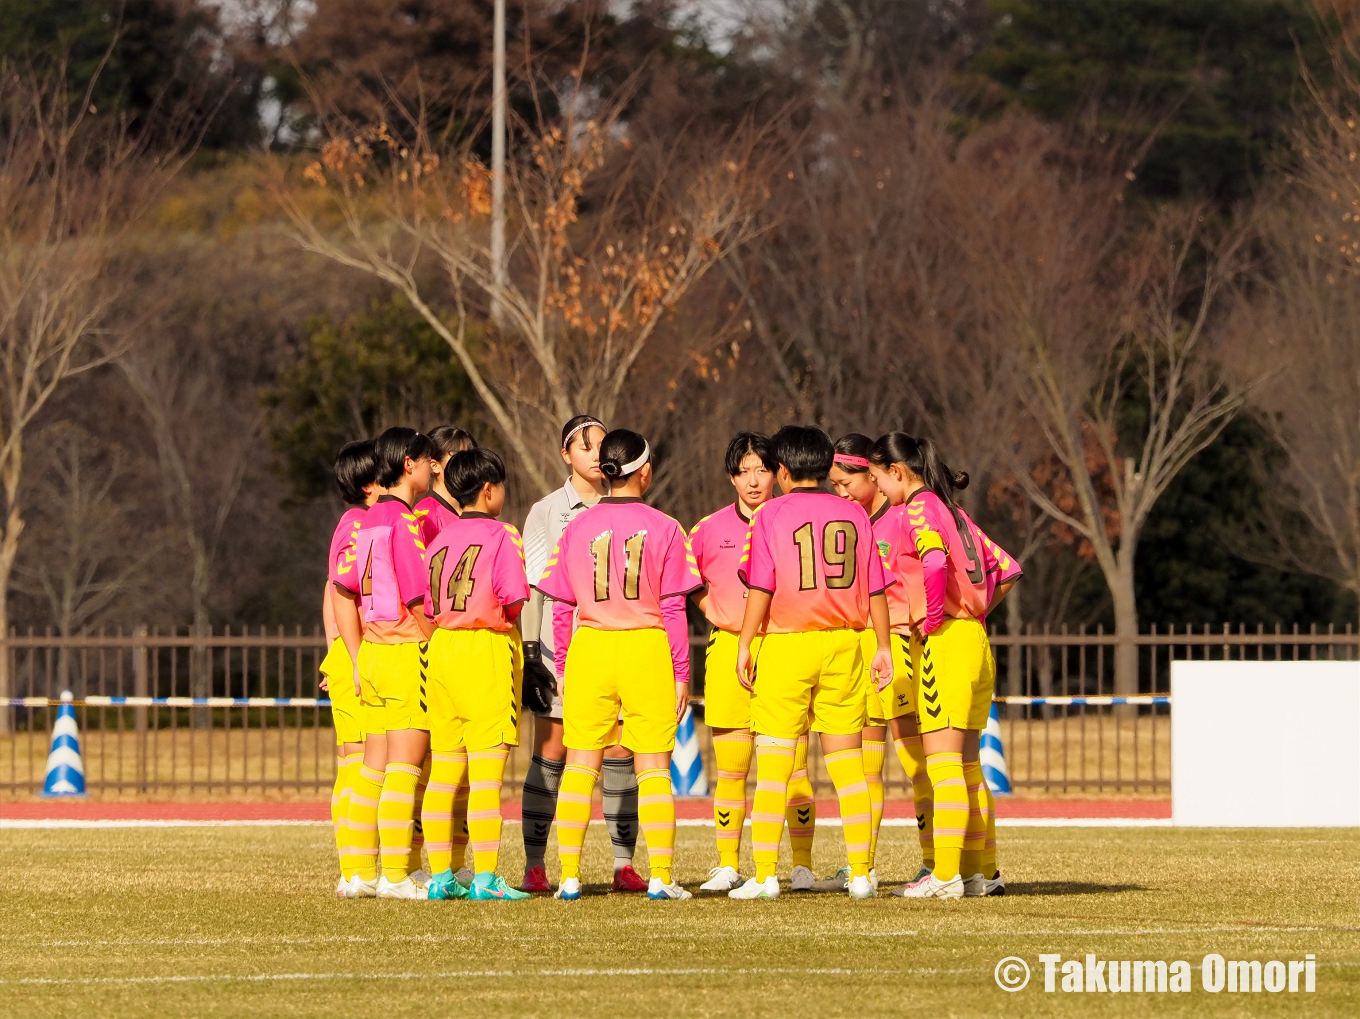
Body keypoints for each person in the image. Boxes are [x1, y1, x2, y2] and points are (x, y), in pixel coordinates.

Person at [729, 425, 895, 901]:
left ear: (782, 470)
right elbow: (876, 588)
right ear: (825, 467)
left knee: (775, 765)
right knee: (848, 765)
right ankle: (861, 873)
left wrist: (745, 642)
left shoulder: (769, 515)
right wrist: (882, 646)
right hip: (845, 643)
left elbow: (761, 587)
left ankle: (764, 877)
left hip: (787, 646)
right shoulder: (855, 514)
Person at [537, 429, 701, 901]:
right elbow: (673, 609)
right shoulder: (667, 526)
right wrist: (681, 673)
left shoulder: (575, 528)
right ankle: (662, 878)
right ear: (644, 471)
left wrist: (564, 668)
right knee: (652, 768)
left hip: (591, 647)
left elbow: (561, 608)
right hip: (644, 648)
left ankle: (568, 875)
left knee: (580, 765)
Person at [867, 433, 1021, 899]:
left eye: (876, 478)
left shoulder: (917, 506)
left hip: (946, 641)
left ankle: (946, 874)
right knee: (970, 767)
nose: (877, 489)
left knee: (943, 765)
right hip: (974, 638)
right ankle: (982, 872)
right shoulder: (954, 511)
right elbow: (1007, 567)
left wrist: (934, 617)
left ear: (896, 472)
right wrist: (973, 610)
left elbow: (933, 560)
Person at [517, 416, 646, 894]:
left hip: (616, 648)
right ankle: (535, 864)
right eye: (584, 445)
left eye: (602, 444)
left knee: (618, 751)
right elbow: (535, 587)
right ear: (565, 454)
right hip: (557, 649)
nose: (595, 453)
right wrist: (532, 652)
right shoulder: (546, 512)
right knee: (551, 752)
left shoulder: (631, 505)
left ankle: (622, 863)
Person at [422, 447, 532, 902]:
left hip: (442, 650)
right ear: (488, 489)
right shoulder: (504, 535)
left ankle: (441, 877)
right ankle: (486, 879)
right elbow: (513, 601)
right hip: (485, 648)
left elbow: (428, 606)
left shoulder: (438, 539)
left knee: (444, 772)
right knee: (487, 777)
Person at [333, 427, 437, 899]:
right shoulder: (405, 522)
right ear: (409, 464)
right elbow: (417, 597)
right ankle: (396, 875)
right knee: (406, 767)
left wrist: (356, 657)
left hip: (373, 650)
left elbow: (344, 587)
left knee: (372, 767)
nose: (433, 469)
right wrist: (439, 644)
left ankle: (357, 872)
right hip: (404, 649)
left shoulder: (368, 520)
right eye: (428, 460)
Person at [825, 433, 931, 890]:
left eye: (847, 482)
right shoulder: (843, 525)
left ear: (873, 474)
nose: (841, 492)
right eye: (834, 484)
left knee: (916, 763)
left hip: (899, 651)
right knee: (863, 767)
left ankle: (933, 861)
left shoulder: (907, 518)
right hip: (856, 652)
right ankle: (860, 864)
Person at [412, 424, 478, 882]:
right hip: (435, 648)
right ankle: (418, 864)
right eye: (458, 457)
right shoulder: (425, 516)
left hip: (468, 651)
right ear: (435, 464)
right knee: (429, 765)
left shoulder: (469, 514)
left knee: (468, 769)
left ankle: (455, 866)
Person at [320, 439, 380, 897]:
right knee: (358, 763)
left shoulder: (355, 523)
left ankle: (358, 866)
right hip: (363, 653)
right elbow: (341, 591)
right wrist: (347, 655)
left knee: (358, 761)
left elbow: (330, 590)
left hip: (352, 652)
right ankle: (354, 867)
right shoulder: (360, 525)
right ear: (370, 482)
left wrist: (334, 651)